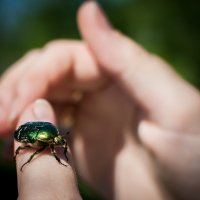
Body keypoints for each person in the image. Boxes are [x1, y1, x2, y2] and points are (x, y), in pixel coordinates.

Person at [0, 1, 200, 200]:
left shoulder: (52, 135)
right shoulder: (50, 137)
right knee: (31, 151)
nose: (60, 142)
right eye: (60, 141)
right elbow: (35, 143)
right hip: (27, 133)